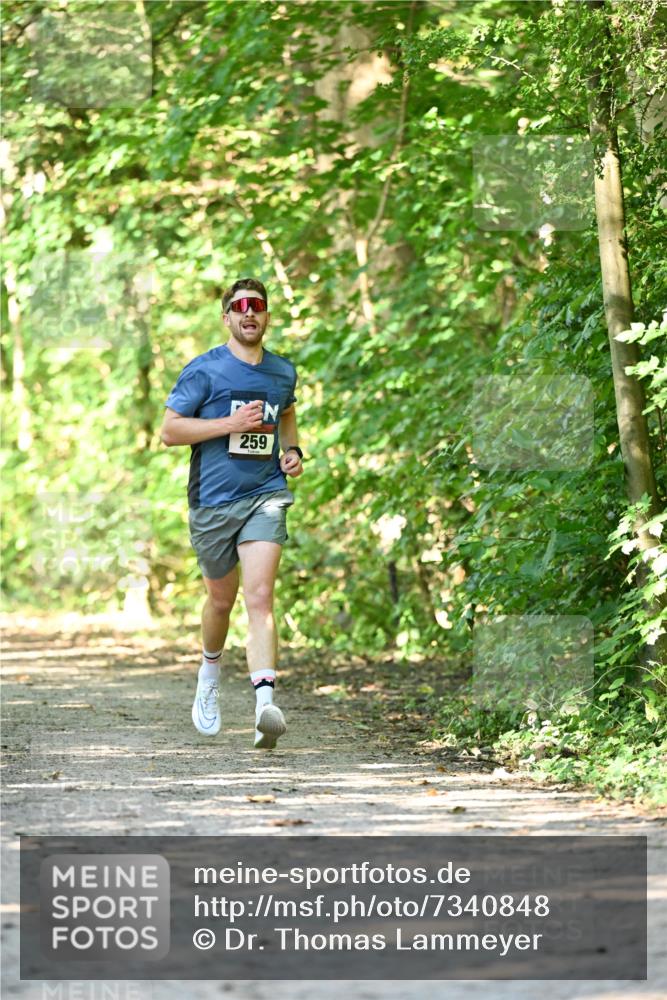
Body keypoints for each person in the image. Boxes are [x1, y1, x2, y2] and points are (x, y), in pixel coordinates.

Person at [160, 278, 303, 749]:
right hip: (212, 502)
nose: (249, 314)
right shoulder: (204, 371)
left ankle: (266, 707)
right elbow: (170, 431)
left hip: (266, 493)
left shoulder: (282, 371)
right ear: (226, 317)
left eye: (257, 307)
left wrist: (293, 450)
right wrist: (229, 424)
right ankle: (209, 672)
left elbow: (286, 415)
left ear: (266, 316)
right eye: (239, 307)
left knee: (260, 597)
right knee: (221, 601)